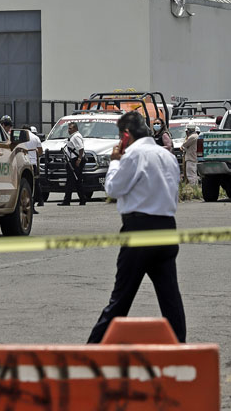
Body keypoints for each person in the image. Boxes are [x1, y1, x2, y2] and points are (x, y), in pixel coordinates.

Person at [87, 110, 186, 344]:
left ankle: (91, 350)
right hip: (166, 228)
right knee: (170, 299)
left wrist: (114, 162)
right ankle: (180, 349)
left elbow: (113, 188)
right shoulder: (166, 156)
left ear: (126, 135)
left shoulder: (133, 155)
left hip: (139, 229)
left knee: (120, 299)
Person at [59, 121, 86, 206]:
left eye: (70, 128)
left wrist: (79, 159)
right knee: (76, 181)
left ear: (75, 128)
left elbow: (81, 148)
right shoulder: (73, 136)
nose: (68, 130)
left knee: (71, 181)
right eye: (68, 128)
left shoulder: (76, 136)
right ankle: (82, 199)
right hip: (73, 160)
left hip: (76, 161)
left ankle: (67, 200)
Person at [21, 124, 45, 209]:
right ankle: (34, 203)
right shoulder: (35, 138)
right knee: (34, 184)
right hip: (33, 163)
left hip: (23, 163)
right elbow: (41, 152)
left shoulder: (21, 138)